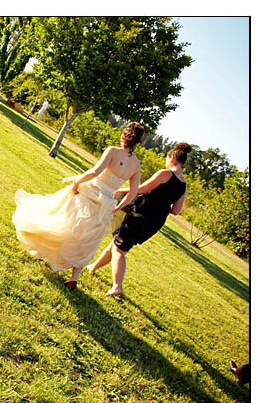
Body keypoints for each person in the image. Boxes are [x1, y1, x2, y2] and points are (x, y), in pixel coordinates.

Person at [13, 122, 144, 289]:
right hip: (107, 201)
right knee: (88, 239)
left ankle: (46, 251)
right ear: (138, 141)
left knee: (66, 221)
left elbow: (95, 172)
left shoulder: (113, 151)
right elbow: (133, 193)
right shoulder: (136, 165)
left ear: (124, 134)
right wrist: (118, 207)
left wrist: (76, 181)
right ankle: (74, 276)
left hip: (90, 192)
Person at [87, 142, 190, 296]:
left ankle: (117, 287)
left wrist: (118, 190)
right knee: (119, 243)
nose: (166, 162)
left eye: (166, 158)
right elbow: (176, 211)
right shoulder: (183, 185)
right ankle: (93, 267)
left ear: (172, 158)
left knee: (119, 249)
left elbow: (141, 189)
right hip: (154, 223)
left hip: (140, 215)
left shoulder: (165, 174)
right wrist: (162, 203)